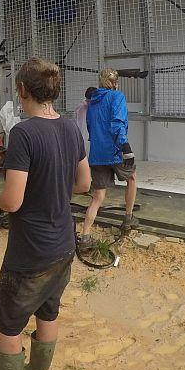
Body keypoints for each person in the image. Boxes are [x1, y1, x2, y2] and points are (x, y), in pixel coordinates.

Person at [0, 57, 91, 370]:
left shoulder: (22, 134)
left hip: (30, 250)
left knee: (9, 321)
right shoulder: (70, 127)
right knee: (48, 310)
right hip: (63, 243)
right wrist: (53, 189)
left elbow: (12, 200)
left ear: (22, 91)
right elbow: (83, 183)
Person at [80, 68, 139, 249]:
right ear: (114, 83)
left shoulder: (92, 102)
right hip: (115, 151)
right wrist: (126, 148)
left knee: (98, 196)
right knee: (132, 177)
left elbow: (90, 126)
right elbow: (117, 124)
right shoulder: (117, 97)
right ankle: (128, 219)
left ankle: (85, 237)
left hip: (97, 154)